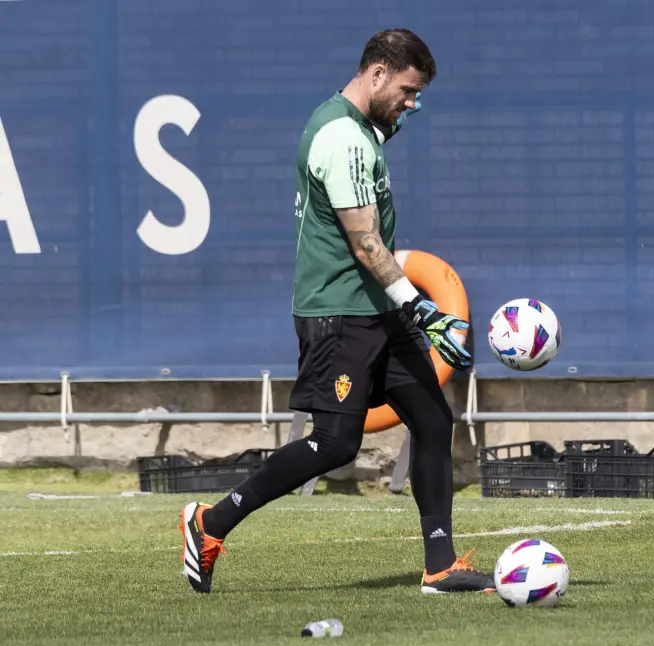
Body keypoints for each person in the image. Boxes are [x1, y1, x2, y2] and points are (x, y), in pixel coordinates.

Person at [179, 28, 494, 596]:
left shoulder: (357, 132)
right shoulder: (342, 137)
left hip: (375, 311)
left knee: (431, 420)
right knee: (336, 443)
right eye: (407, 88)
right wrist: (423, 311)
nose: (413, 102)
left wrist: (405, 313)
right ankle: (209, 523)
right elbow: (365, 244)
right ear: (377, 73)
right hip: (339, 315)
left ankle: (440, 566)